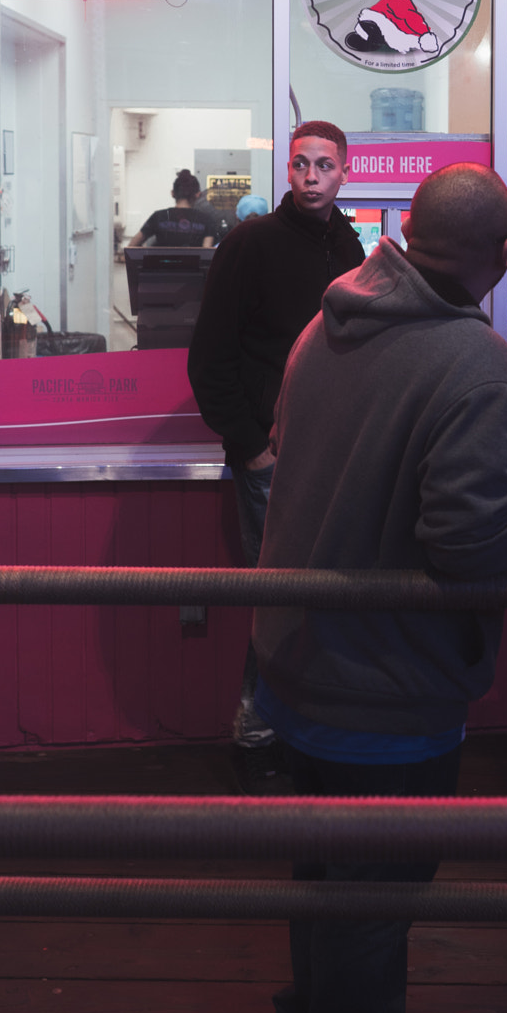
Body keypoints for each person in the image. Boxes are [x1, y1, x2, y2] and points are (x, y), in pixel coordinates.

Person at [252, 163, 507, 1013]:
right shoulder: (468, 362)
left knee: (322, 875)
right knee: (377, 893)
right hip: (387, 679)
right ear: (504, 250)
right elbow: (467, 550)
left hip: (296, 653)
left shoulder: (324, 324)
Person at [187, 123, 366, 745]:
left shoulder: (349, 246)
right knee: (279, 597)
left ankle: (306, 728)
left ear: (345, 172)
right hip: (273, 455)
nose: (311, 177)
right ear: (286, 171)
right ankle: (258, 729)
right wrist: (251, 449)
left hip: (335, 454)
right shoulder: (250, 243)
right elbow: (210, 360)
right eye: (300, 165)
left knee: (325, 599)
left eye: (323, 166)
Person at [127, 168, 216, 248]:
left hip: (161, 266)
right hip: (192, 266)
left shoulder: (158, 217)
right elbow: (206, 253)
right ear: (198, 195)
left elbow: (132, 246)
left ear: (173, 193)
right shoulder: (206, 220)